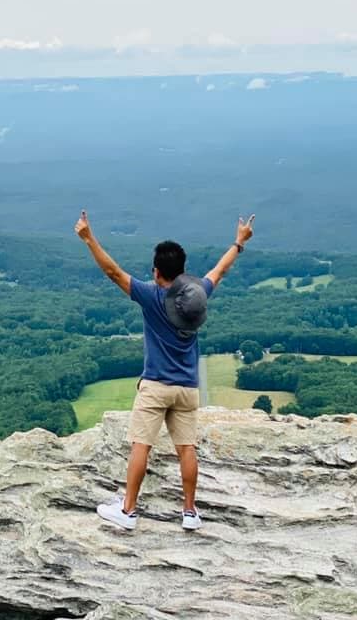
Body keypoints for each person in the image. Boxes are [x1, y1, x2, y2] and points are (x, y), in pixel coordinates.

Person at [74, 210, 255, 531]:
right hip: (187, 388)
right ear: (182, 271)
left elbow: (113, 272)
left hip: (156, 385)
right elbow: (220, 270)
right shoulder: (197, 293)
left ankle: (128, 511)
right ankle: (189, 512)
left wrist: (88, 238)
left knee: (141, 445)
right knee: (186, 448)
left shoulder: (150, 295)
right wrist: (239, 242)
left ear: (157, 272)